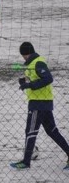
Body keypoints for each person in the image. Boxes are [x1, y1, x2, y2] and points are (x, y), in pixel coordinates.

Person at [10, 42, 69, 170]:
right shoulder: (31, 65)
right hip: (43, 102)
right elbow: (35, 79)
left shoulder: (38, 62)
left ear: (26, 53)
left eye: (23, 55)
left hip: (39, 103)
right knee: (52, 131)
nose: (23, 58)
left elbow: (48, 78)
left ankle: (26, 162)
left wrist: (30, 85)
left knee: (30, 131)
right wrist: (24, 82)